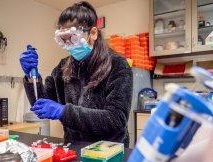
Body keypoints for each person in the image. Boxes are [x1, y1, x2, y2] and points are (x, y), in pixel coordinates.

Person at [19, 1, 133, 147]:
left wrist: (63, 112)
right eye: (63, 40)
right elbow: (40, 104)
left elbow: (116, 119)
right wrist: (31, 78)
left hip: (108, 150)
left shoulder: (118, 65)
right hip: (73, 146)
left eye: (73, 37)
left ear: (93, 33)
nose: (69, 45)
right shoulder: (62, 67)